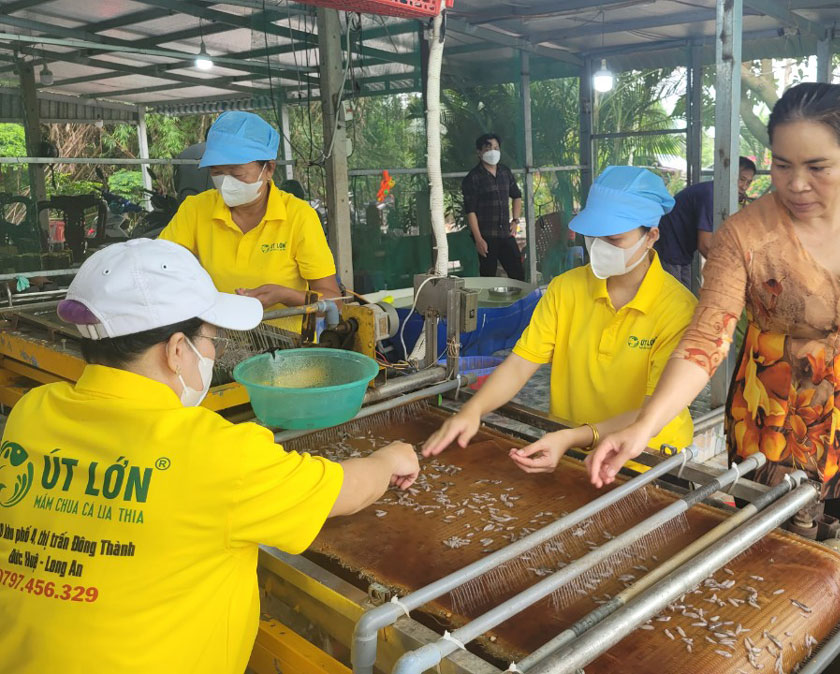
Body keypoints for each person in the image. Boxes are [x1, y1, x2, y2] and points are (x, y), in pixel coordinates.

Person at [0, 239, 419, 673]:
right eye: (212, 339)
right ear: (177, 350)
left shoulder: (33, 412)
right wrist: (390, 459)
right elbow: (342, 491)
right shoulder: (214, 452)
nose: (213, 352)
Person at [586, 83, 840, 555]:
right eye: (782, 165)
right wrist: (645, 424)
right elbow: (706, 338)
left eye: (818, 167)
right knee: (771, 569)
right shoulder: (745, 235)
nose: (796, 184)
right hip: (769, 432)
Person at [424, 167, 698, 472]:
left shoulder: (679, 310)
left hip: (648, 462)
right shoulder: (566, 289)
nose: (600, 248)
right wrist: (473, 410)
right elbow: (520, 363)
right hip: (572, 448)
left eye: (614, 239)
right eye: (594, 237)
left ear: (651, 237)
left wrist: (573, 437)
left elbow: (653, 410)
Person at [160, 111, 340, 332]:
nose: (226, 183)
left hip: (286, 351)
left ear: (269, 169)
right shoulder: (195, 209)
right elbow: (159, 267)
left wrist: (285, 295)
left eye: (237, 174)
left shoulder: (299, 216)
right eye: (217, 173)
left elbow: (334, 302)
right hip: (216, 341)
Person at [655, 157, 757, 289]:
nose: (744, 187)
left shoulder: (720, 194)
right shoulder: (711, 194)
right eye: (741, 179)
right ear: (729, 174)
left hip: (682, 250)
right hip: (668, 246)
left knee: (686, 294)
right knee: (672, 295)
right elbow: (704, 244)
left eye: (748, 182)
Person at [461, 133, 525, 281]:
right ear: (479, 152)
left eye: (496, 148)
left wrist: (515, 221)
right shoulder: (473, 178)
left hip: (506, 234)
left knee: (518, 275)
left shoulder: (505, 172)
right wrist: (478, 239)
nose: (493, 152)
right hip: (486, 237)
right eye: (488, 148)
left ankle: (520, 303)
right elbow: (470, 211)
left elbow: (516, 195)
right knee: (488, 278)